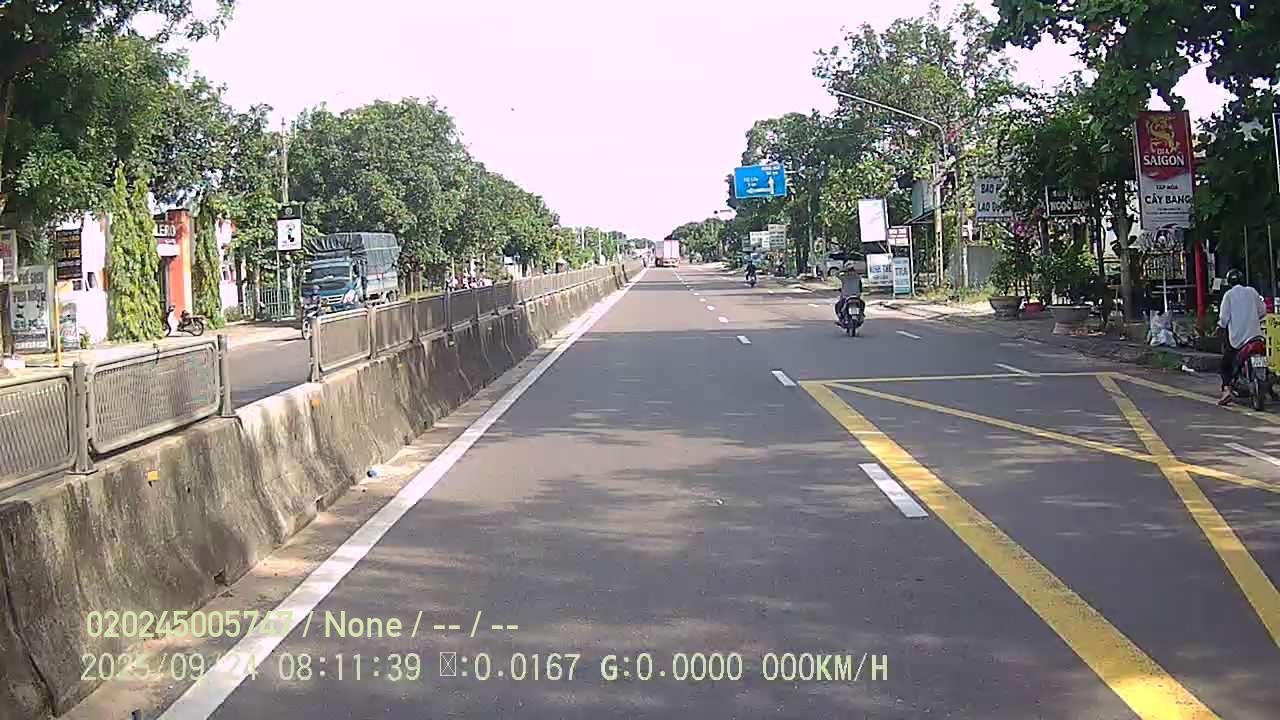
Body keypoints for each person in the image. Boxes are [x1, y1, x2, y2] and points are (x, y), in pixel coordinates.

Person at [1217, 268, 1267, 405]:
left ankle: (1227, 390)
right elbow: (1262, 311)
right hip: (1255, 337)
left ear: (1229, 282)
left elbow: (1223, 319)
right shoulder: (1252, 291)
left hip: (1238, 341)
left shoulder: (1228, 295)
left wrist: (1219, 327)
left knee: (1225, 365)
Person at [834, 261, 864, 326]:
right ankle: (861, 315)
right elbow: (861, 286)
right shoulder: (857, 277)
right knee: (862, 304)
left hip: (846, 296)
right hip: (856, 296)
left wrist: (842, 270)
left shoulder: (844, 277)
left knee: (838, 306)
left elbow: (836, 274)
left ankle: (840, 318)